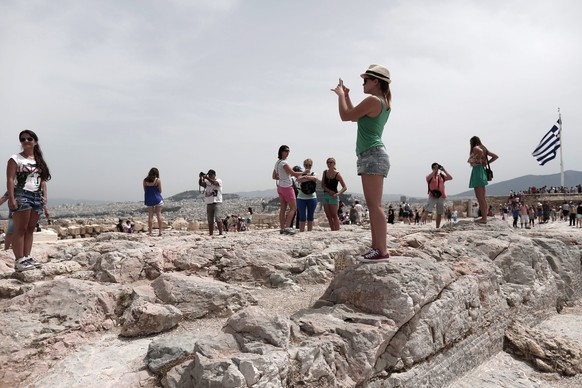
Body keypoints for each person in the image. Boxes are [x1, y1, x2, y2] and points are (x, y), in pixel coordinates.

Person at [332, 64, 391, 262]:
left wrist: (340, 95)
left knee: (375, 206)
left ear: (376, 82)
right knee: (375, 206)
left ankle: (381, 250)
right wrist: (347, 97)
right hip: (373, 155)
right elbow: (352, 117)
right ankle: (376, 248)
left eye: (365, 80)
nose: (363, 83)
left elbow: (344, 116)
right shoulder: (381, 102)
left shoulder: (373, 100)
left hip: (372, 155)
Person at [6, 130, 51, 271]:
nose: (26, 141)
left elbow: (43, 180)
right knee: (20, 229)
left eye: (29, 138)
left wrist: (44, 198)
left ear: (35, 141)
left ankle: (27, 257)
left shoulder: (39, 160)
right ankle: (19, 260)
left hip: (37, 196)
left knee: (30, 229)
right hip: (22, 194)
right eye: (22, 139)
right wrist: (12, 198)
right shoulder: (15, 159)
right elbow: (10, 179)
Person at [272, 145, 305, 235]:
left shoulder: (277, 163)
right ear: (281, 152)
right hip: (287, 187)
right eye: (286, 151)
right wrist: (304, 172)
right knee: (293, 208)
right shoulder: (284, 163)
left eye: (288, 151)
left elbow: (274, 177)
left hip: (280, 187)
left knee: (283, 209)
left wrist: (282, 177)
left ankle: (282, 228)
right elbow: (293, 173)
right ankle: (287, 227)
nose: (287, 153)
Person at [467, 136, 498, 224]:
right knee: (482, 198)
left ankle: (484, 218)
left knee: (480, 198)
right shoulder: (484, 148)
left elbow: (479, 152)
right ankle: (484, 217)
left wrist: (477, 159)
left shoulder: (476, 148)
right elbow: (495, 156)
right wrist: (485, 162)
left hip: (477, 172)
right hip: (481, 171)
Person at [420, 162, 453, 228]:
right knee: (427, 209)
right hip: (432, 195)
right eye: (435, 167)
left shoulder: (441, 176)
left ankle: (437, 227)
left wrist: (444, 170)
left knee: (439, 213)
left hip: (441, 196)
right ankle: (420, 223)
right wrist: (434, 171)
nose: (437, 168)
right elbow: (427, 178)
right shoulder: (429, 176)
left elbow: (450, 178)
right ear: (432, 168)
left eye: (437, 167)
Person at [321, 157, 347, 231]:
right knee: (328, 216)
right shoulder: (325, 172)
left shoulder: (337, 174)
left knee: (334, 215)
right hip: (326, 195)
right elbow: (323, 185)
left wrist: (337, 194)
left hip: (333, 196)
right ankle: (332, 230)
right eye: (328, 162)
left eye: (331, 162)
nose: (329, 164)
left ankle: (337, 231)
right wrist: (329, 191)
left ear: (334, 164)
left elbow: (344, 187)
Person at [296, 158, 318, 232]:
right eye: (306, 165)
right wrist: (309, 178)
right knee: (302, 216)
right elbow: (299, 179)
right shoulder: (300, 174)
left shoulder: (314, 173)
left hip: (312, 197)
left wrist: (305, 177)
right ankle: (302, 232)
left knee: (310, 216)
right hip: (301, 197)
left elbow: (315, 178)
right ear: (304, 165)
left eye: (310, 165)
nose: (308, 166)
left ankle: (309, 232)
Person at [199, 169, 224, 236]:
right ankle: (211, 234)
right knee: (210, 219)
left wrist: (207, 177)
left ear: (214, 175)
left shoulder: (219, 180)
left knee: (217, 217)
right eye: (209, 175)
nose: (210, 176)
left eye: (211, 175)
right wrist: (200, 178)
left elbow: (215, 183)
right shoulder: (207, 182)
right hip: (209, 202)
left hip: (217, 202)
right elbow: (201, 184)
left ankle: (220, 233)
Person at [143, 167, 164, 236]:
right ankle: (160, 231)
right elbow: (160, 191)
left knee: (150, 216)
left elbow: (145, 190)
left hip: (149, 199)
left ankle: (150, 232)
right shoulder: (158, 180)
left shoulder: (145, 181)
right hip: (157, 198)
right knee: (159, 214)